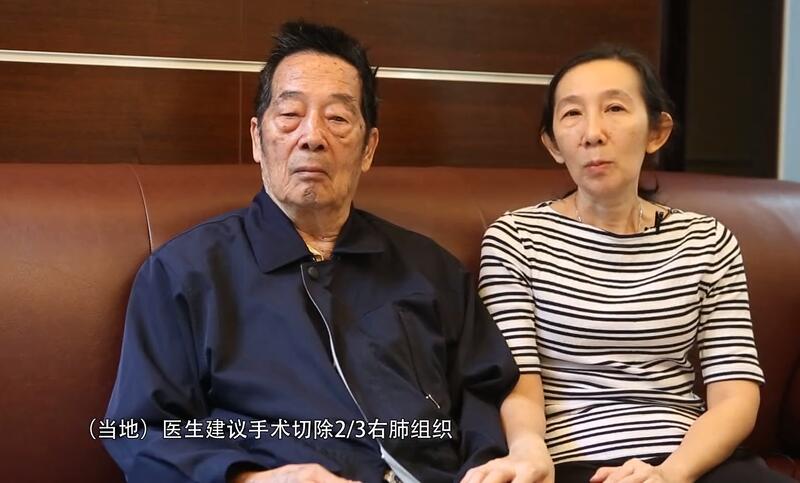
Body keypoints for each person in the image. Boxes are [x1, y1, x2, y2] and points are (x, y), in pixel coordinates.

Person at [103, 21, 522, 483]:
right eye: (290, 114)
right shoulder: (185, 273)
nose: (312, 136)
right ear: (257, 138)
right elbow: (139, 430)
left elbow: (486, 391)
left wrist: (489, 467)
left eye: (338, 118)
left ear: (369, 148)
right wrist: (251, 479)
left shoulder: (430, 269)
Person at [478, 45, 794, 483]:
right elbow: (518, 383)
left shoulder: (706, 240)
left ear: (656, 131)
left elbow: (734, 393)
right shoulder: (515, 238)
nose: (592, 133)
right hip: (572, 462)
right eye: (572, 114)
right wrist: (529, 452)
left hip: (690, 460)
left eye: (614, 108)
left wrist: (670, 474)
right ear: (553, 144)